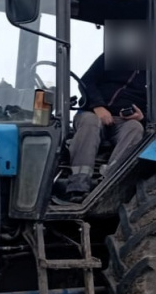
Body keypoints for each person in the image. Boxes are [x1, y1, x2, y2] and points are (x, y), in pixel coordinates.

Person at [54, 52, 147, 203]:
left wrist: (142, 117)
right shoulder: (115, 56)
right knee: (90, 122)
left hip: (123, 121)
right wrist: (98, 106)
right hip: (93, 113)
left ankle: (109, 185)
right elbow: (86, 81)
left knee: (135, 128)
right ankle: (77, 186)